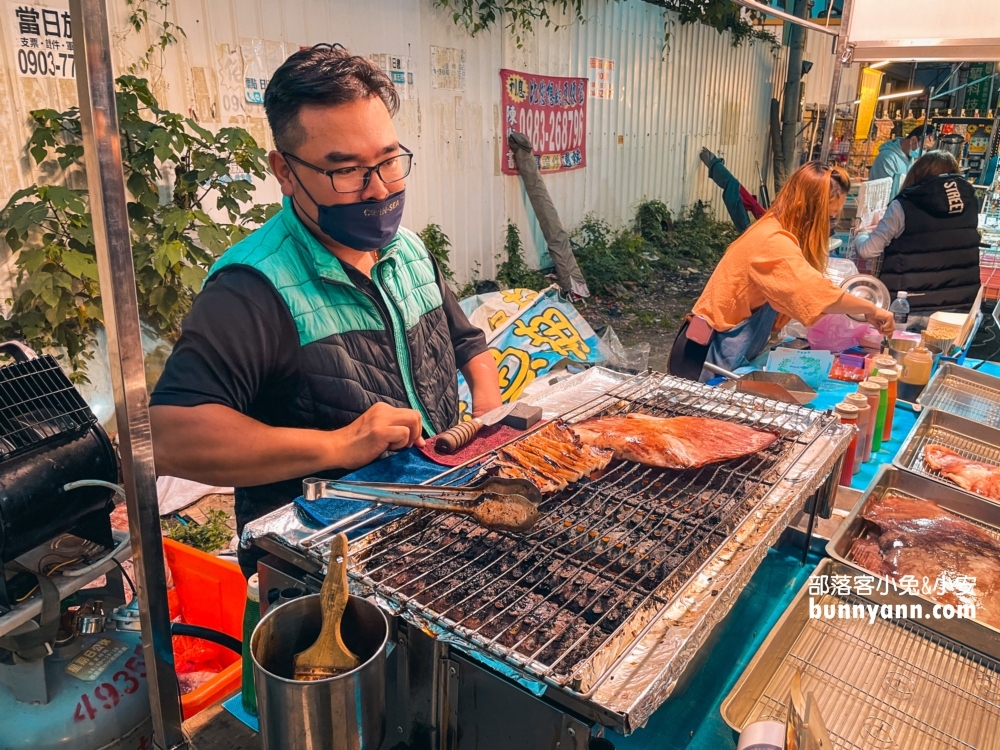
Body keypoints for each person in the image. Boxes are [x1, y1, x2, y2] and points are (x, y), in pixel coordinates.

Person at [150, 44, 502, 574]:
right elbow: (170, 436)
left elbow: (466, 344)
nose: (379, 188)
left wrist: (486, 424)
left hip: (435, 522)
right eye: (348, 172)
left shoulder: (407, 251)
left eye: (388, 161)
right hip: (323, 561)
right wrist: (339, 445)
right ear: (285, 172)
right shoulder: (251, 287)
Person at [667, 162, 895, 381]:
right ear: (806, 211)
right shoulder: (771, 240)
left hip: (723, 352)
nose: (831, 228)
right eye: (830, 218)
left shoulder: (776, 230)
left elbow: (792, 296)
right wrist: (870, 308)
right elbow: (812, 292)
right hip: (701, 356)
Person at [855, 151, 981, 312]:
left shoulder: (904, 204)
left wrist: (862, 233)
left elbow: (868, 250)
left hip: (908, 305)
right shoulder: (970, 203)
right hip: (960, 307)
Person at [869, 124, 937, 197]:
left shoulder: (910, 157)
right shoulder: (888, 158)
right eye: (924, 148)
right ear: (913, 140)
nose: (924, 152)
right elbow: (883, 192)